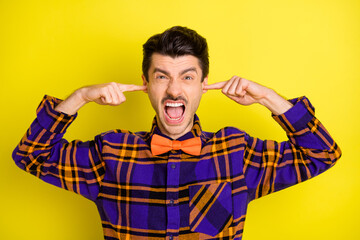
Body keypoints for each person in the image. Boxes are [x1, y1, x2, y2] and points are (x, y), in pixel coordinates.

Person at [13, 26, 341, 240]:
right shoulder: (111, 151)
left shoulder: (235, 151)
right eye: (161, 77)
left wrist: (268, 97)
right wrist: (80, 97)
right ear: (145, 83)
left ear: (203, 84)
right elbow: (30, 154)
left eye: (186, 77)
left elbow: (322, 154)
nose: (173, 91)